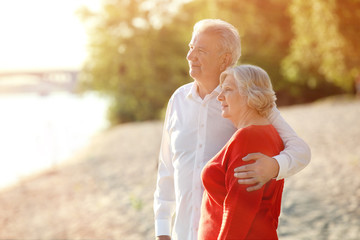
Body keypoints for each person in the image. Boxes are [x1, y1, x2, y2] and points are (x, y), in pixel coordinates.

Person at [154, 19, 311, 240]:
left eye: (201, 50)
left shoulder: (245, 102)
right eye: (191, 48)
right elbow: (167, 169)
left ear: (224, 59)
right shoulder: (178, 100)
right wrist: (162, 230)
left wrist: (274, 166)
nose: (190, 56)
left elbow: (300, 150)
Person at [198, 64, 285, 240]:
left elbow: (239, 212)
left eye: (228, 90)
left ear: (251, 95)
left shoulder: (250, 137)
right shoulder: (264, 133)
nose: (220, 97)